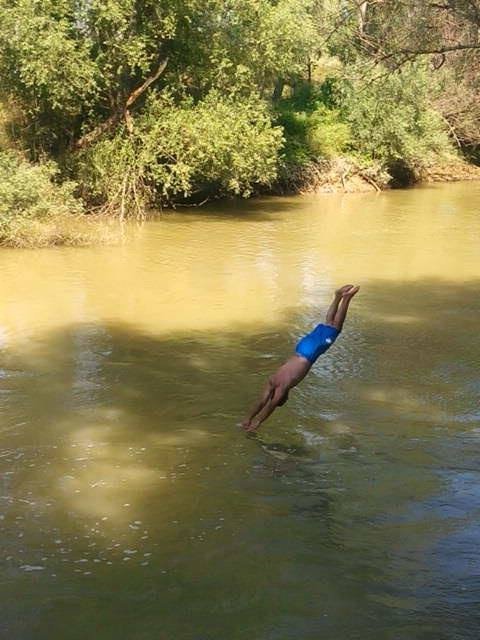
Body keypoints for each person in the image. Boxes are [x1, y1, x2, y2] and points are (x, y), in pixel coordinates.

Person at [242, 284, 360, 432]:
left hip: (309, 353)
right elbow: (261, 402)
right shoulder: (272, 381)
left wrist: (258, 422)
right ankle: (337, 297)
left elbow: (269, 406)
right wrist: (248, 418)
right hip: (301, 348)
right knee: (328, 325)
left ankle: (346, 298)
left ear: (283, 396)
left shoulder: (282, 387)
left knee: (335, 328)